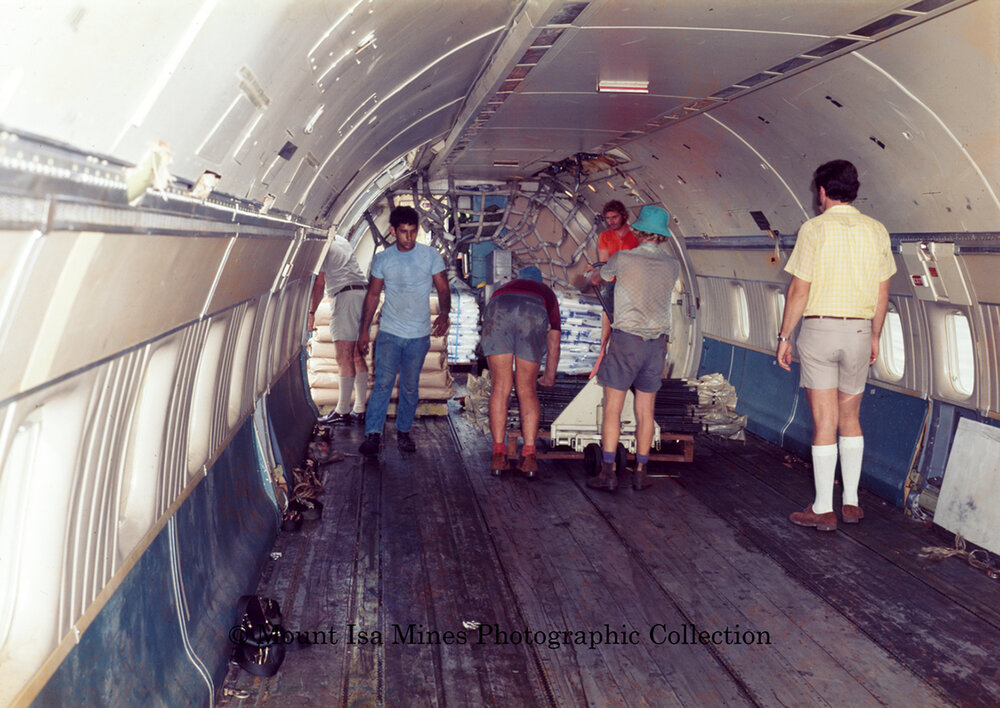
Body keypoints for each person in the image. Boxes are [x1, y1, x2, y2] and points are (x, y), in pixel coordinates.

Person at [777, 159, 896, 531]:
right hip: (860, 333)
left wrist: (784, 337)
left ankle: (823, 508)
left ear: (823, 192)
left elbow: (799, 290)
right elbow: (883, 292)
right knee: (851, 419)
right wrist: (875, 334)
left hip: (819, 332)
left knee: (824, 422)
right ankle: (852, 503)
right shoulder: (877, 231)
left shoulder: (814, 230)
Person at [587, 205, 680, 492]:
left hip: (627, 340)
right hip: (656, 345)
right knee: (645, 411)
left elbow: (599, 278)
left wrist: (593, 274)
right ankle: (641, 471)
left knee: (612, 409)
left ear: (638, 231)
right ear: (662, 236)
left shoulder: (623, 258)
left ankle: (608, 473)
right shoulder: (673, 265)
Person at [358, 206, 451, 454]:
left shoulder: (430, 256)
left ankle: (404, 432)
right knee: (383, 384)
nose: (408, 238)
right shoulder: (382, 259)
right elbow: (373, 295)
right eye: (403, 232)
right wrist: (364, 331)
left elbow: (443, 289)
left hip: (418, 336)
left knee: (410, 386)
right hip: (389, 332)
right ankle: (373, 435)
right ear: (393, 231)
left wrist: (444, 313)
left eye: (412, 232)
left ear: (417, 230)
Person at [481, 265, 561, 479]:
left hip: (499, 308)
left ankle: (498, 454)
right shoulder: (546, 293)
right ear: (540, 281)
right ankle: (529, 456)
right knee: (526, 389)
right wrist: (549, 376)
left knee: (501, 387)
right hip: (531, 312)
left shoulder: (503, 288)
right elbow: (554, 341)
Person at [312, 234, 369, 424]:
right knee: (355, 355)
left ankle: (342, 410)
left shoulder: (321, 246)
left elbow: (319, 285)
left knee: (343, 356)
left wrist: (311, 313)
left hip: (345, 298)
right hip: (362, 293)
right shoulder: (341, 240)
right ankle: (360, 409)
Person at [593, 200, 639, 351]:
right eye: (607, 218)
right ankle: (604, 350)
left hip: (632, 287)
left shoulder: (636, 236)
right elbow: (604, 262)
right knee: (608, 318)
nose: (610, 221)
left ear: (624, 216)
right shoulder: (605, 236)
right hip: (613, 284)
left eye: (614, 217)